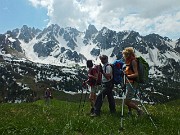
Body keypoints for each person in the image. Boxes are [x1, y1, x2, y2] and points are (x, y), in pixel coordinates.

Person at [122, 47, 143, 116]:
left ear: (129, 54)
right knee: (128, 99)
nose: (124, 56)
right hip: (129, 82)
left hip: (132, 83)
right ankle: (130, 112)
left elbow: (136, 74)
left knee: (127, 101)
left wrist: (128, 76)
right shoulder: (129, 62)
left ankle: (139, 110)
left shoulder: (133, 61)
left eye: (125, 55)